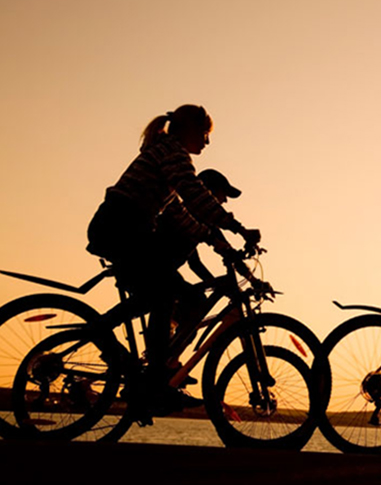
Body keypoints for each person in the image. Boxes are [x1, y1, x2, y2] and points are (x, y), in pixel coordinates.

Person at [86, 105, 261, 411]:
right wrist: (234, 225)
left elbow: (179, 212)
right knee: (164, 294)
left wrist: (212, 234)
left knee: (158, 296)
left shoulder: (165, 154)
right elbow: (193, 193)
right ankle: (153, 379)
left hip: (124, 227)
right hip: (121, 226)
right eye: (205, 135)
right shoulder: (174, 153)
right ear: (190, 130)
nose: (206, 143)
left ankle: (142, 372)